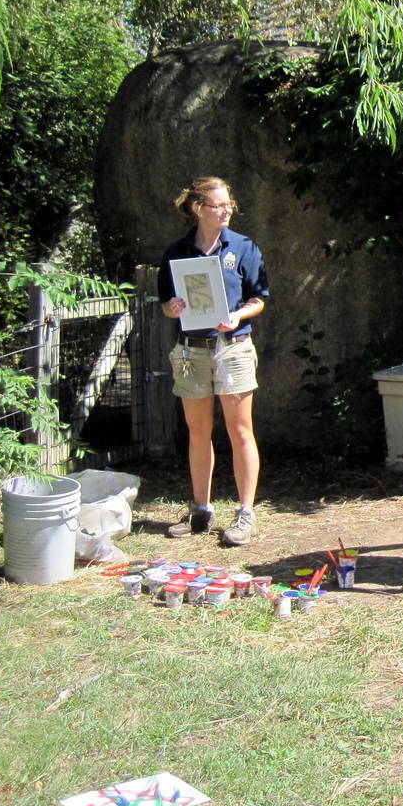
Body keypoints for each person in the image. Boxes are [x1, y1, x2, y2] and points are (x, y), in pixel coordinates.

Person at [157, 177, 269, 547]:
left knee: (240, 431)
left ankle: (246, 513)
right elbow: (166, 303)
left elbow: (259, 298)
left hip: (233, 348)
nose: (226, 210)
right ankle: (201, 510)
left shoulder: (244, 247)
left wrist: (238, 316)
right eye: (218, 205)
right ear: (198, 209)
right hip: (191, 351)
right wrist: (172, 308)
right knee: (198, 431)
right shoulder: (176, 252)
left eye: (228, 204)